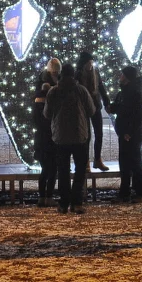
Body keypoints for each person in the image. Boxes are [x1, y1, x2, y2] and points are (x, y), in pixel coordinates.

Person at [44, 63, 94, 214]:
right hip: (79, 135)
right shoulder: (81, 90)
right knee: (80, 169)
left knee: (63, 170)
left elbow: (47, 113)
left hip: (60, 137)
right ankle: (77, 202)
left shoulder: (54, 91)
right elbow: (91, 110)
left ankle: (64, 203)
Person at [107, 65, 142, 203]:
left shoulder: (134, 93)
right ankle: (127, 193)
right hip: (125, 133)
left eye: (122, 74)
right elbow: (122, 108)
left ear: (128, 77)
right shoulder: (125, 92)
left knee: (134, 162)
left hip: (131, 134)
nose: (120, 76)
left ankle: (139, 192)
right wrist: (113, 108)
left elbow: (139, 115)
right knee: (126, 163)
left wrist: (129, 132)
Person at [32, 58, 61, 207]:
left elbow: (36, 121)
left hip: (41, 139)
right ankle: (48, 196)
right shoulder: (52, 105)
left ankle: (42, 197)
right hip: (52, 138)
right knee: (53, 169)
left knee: (45, 169)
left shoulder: (37, 102)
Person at [77, 50, 110, 171]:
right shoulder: (78, 74)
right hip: (84, 107)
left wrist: (106, 101)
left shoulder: (95, 72)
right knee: (86, 135)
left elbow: (101, 86)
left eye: (91, 62)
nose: (91, 65)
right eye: (89, 63)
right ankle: (85, 161)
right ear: (84, 63)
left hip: (96, 105)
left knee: (99, 133)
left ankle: (97, 159)